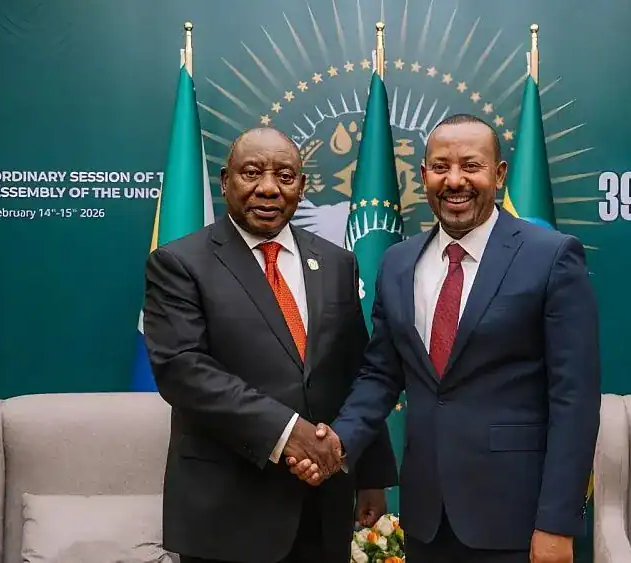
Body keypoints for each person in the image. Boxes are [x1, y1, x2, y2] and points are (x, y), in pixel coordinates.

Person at [288, 114, 601, 563]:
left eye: (471, 165)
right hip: (427, 519)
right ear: (423, 175)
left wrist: (557, 522)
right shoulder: (398, 263)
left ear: (499, 174)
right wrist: (338, 443)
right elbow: (380, 375)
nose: (455, 181)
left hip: (517, 518)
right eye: (440, 167)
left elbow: (575, 401)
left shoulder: (550, 257)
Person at [142, 127, 398, 563]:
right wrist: (288, 432)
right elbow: (183, 370)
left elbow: (354, 368)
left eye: (284, 176)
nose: (268, 188)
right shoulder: (179, 263)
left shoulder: (337, 262)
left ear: (302, 186)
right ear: (225, 181)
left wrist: (369, 474)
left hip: (322, 506)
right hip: (227, 511)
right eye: (252, 173)